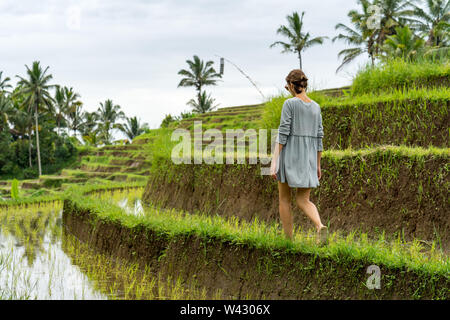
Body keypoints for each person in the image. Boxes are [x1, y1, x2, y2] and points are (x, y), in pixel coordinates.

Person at [270, 69, 327, 244]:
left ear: (290, 86)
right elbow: (319, 137)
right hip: (309, 157)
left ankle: (288, 241)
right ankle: (319, 225)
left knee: (284, 199)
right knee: (304, 199)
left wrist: (274, 162)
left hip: (290, 155)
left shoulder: (290, 104)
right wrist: (317, 164)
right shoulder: (316, 107)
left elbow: (283, 133)